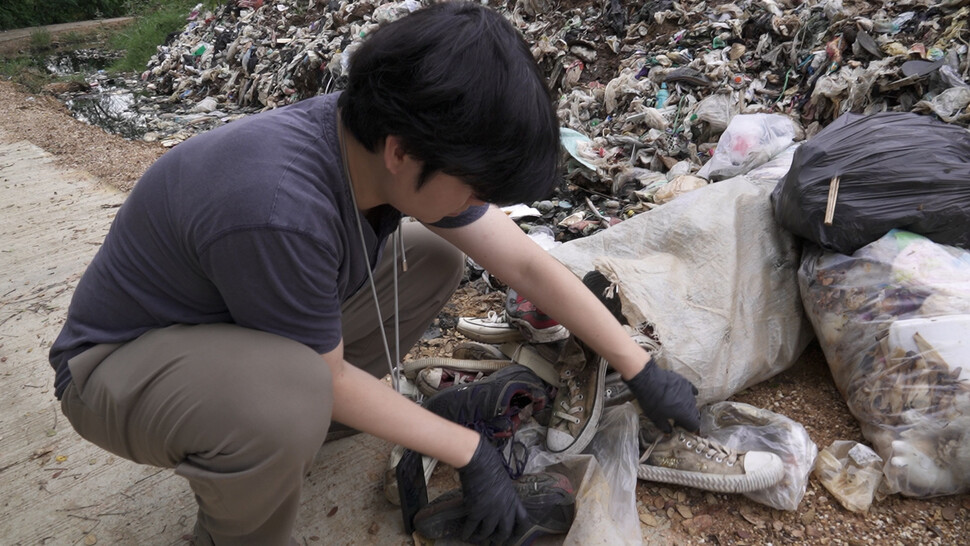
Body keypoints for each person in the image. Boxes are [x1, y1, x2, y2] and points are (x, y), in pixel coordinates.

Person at [48, 2, 699, 544]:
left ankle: (299, 428)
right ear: (401, 153)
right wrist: (467, 452)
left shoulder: (378, 135)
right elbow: (323, 376)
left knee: (434, 255)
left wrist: (638, 369)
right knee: (296, 394)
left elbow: (524, 258)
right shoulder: (281, 207)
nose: (481, 207)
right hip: (114, 370)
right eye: (475, 189)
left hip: (228, 331)